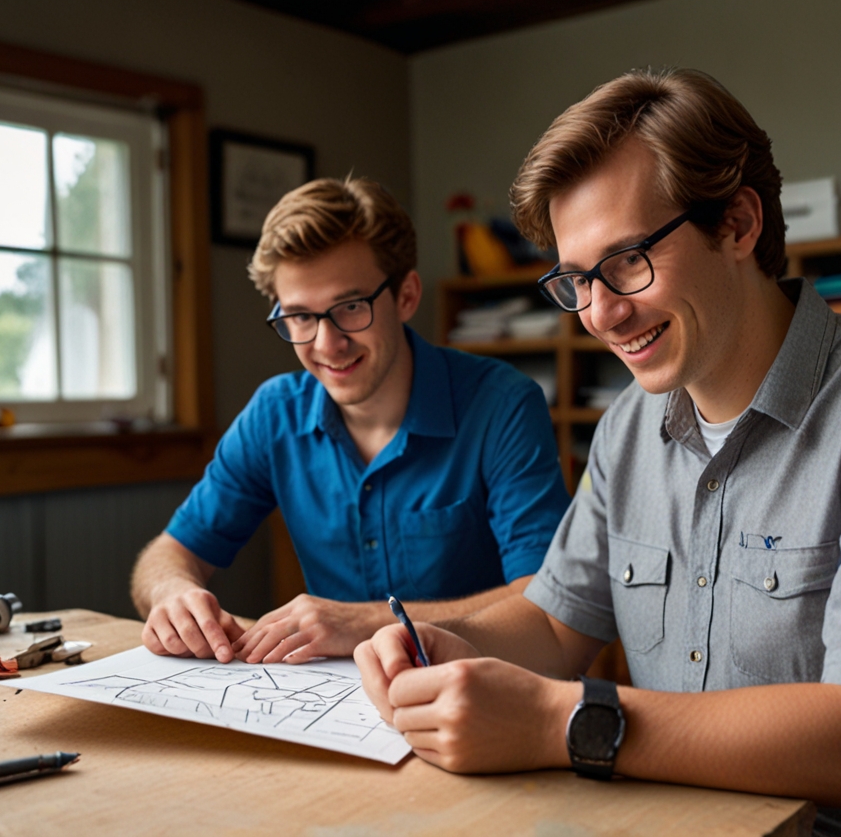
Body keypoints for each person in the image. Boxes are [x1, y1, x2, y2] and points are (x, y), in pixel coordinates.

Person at [356, 68, 841, 834]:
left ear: (738, 225)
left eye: (627, 262)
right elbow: (556, 626)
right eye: (576, 280)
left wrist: (563, 722)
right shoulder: (627, 429)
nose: (601, 314)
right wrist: (445, 645)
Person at [132, 177, 569, 667]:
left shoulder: (503, 406)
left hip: (483, 693)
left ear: (406, 295)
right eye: (299, 317)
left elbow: (546, 599)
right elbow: (169, 553)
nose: (327, 344)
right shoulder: (274, 413)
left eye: (351, 307)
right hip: (332, 707)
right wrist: (172, 592)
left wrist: (368, 622)